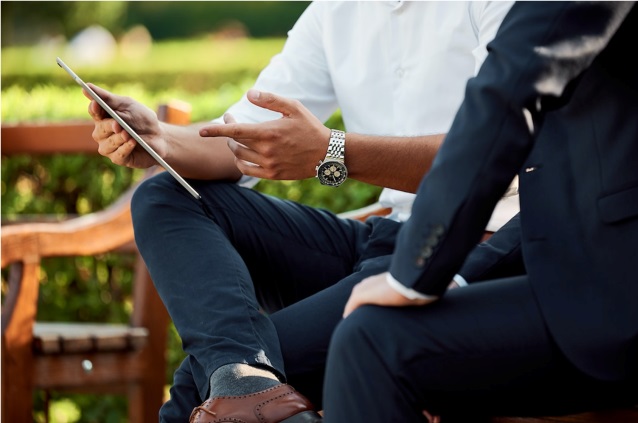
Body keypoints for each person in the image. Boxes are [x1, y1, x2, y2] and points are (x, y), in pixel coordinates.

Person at [85, 2, 517, 422]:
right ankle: (245, 379)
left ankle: (242, 381)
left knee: (199, 388)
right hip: (384, 238)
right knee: (165, 196)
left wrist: (334, 152)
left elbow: (492, 153)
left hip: (473, 250)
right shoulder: (335, 11)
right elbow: (242, 137)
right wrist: (159, 139)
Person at [321, 2, 638, 422]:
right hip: (579, 273)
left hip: (615, 292)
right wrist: (453, 274)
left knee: (373, 342)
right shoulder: (333, 13)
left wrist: (413, 274)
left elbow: (507, 92)